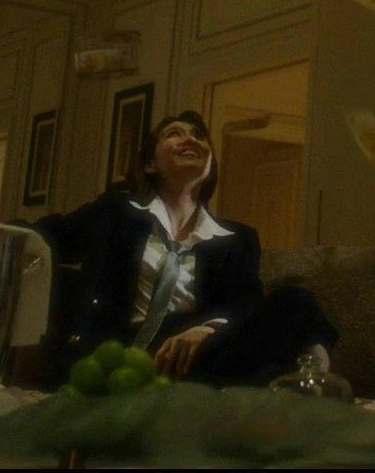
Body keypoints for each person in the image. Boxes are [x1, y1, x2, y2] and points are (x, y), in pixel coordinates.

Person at [35, 110, 337, 386]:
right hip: (113, 354)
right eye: (174, 133)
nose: (190, 138)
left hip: (191, 359)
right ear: (150, 164)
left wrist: (208, 330)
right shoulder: (114, 212)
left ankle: (318, 384)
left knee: (295, 301)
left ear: (210, 164)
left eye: (198, 135)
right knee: (268, 371)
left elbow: (245, 307)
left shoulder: (237, 238)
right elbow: (44, 237)